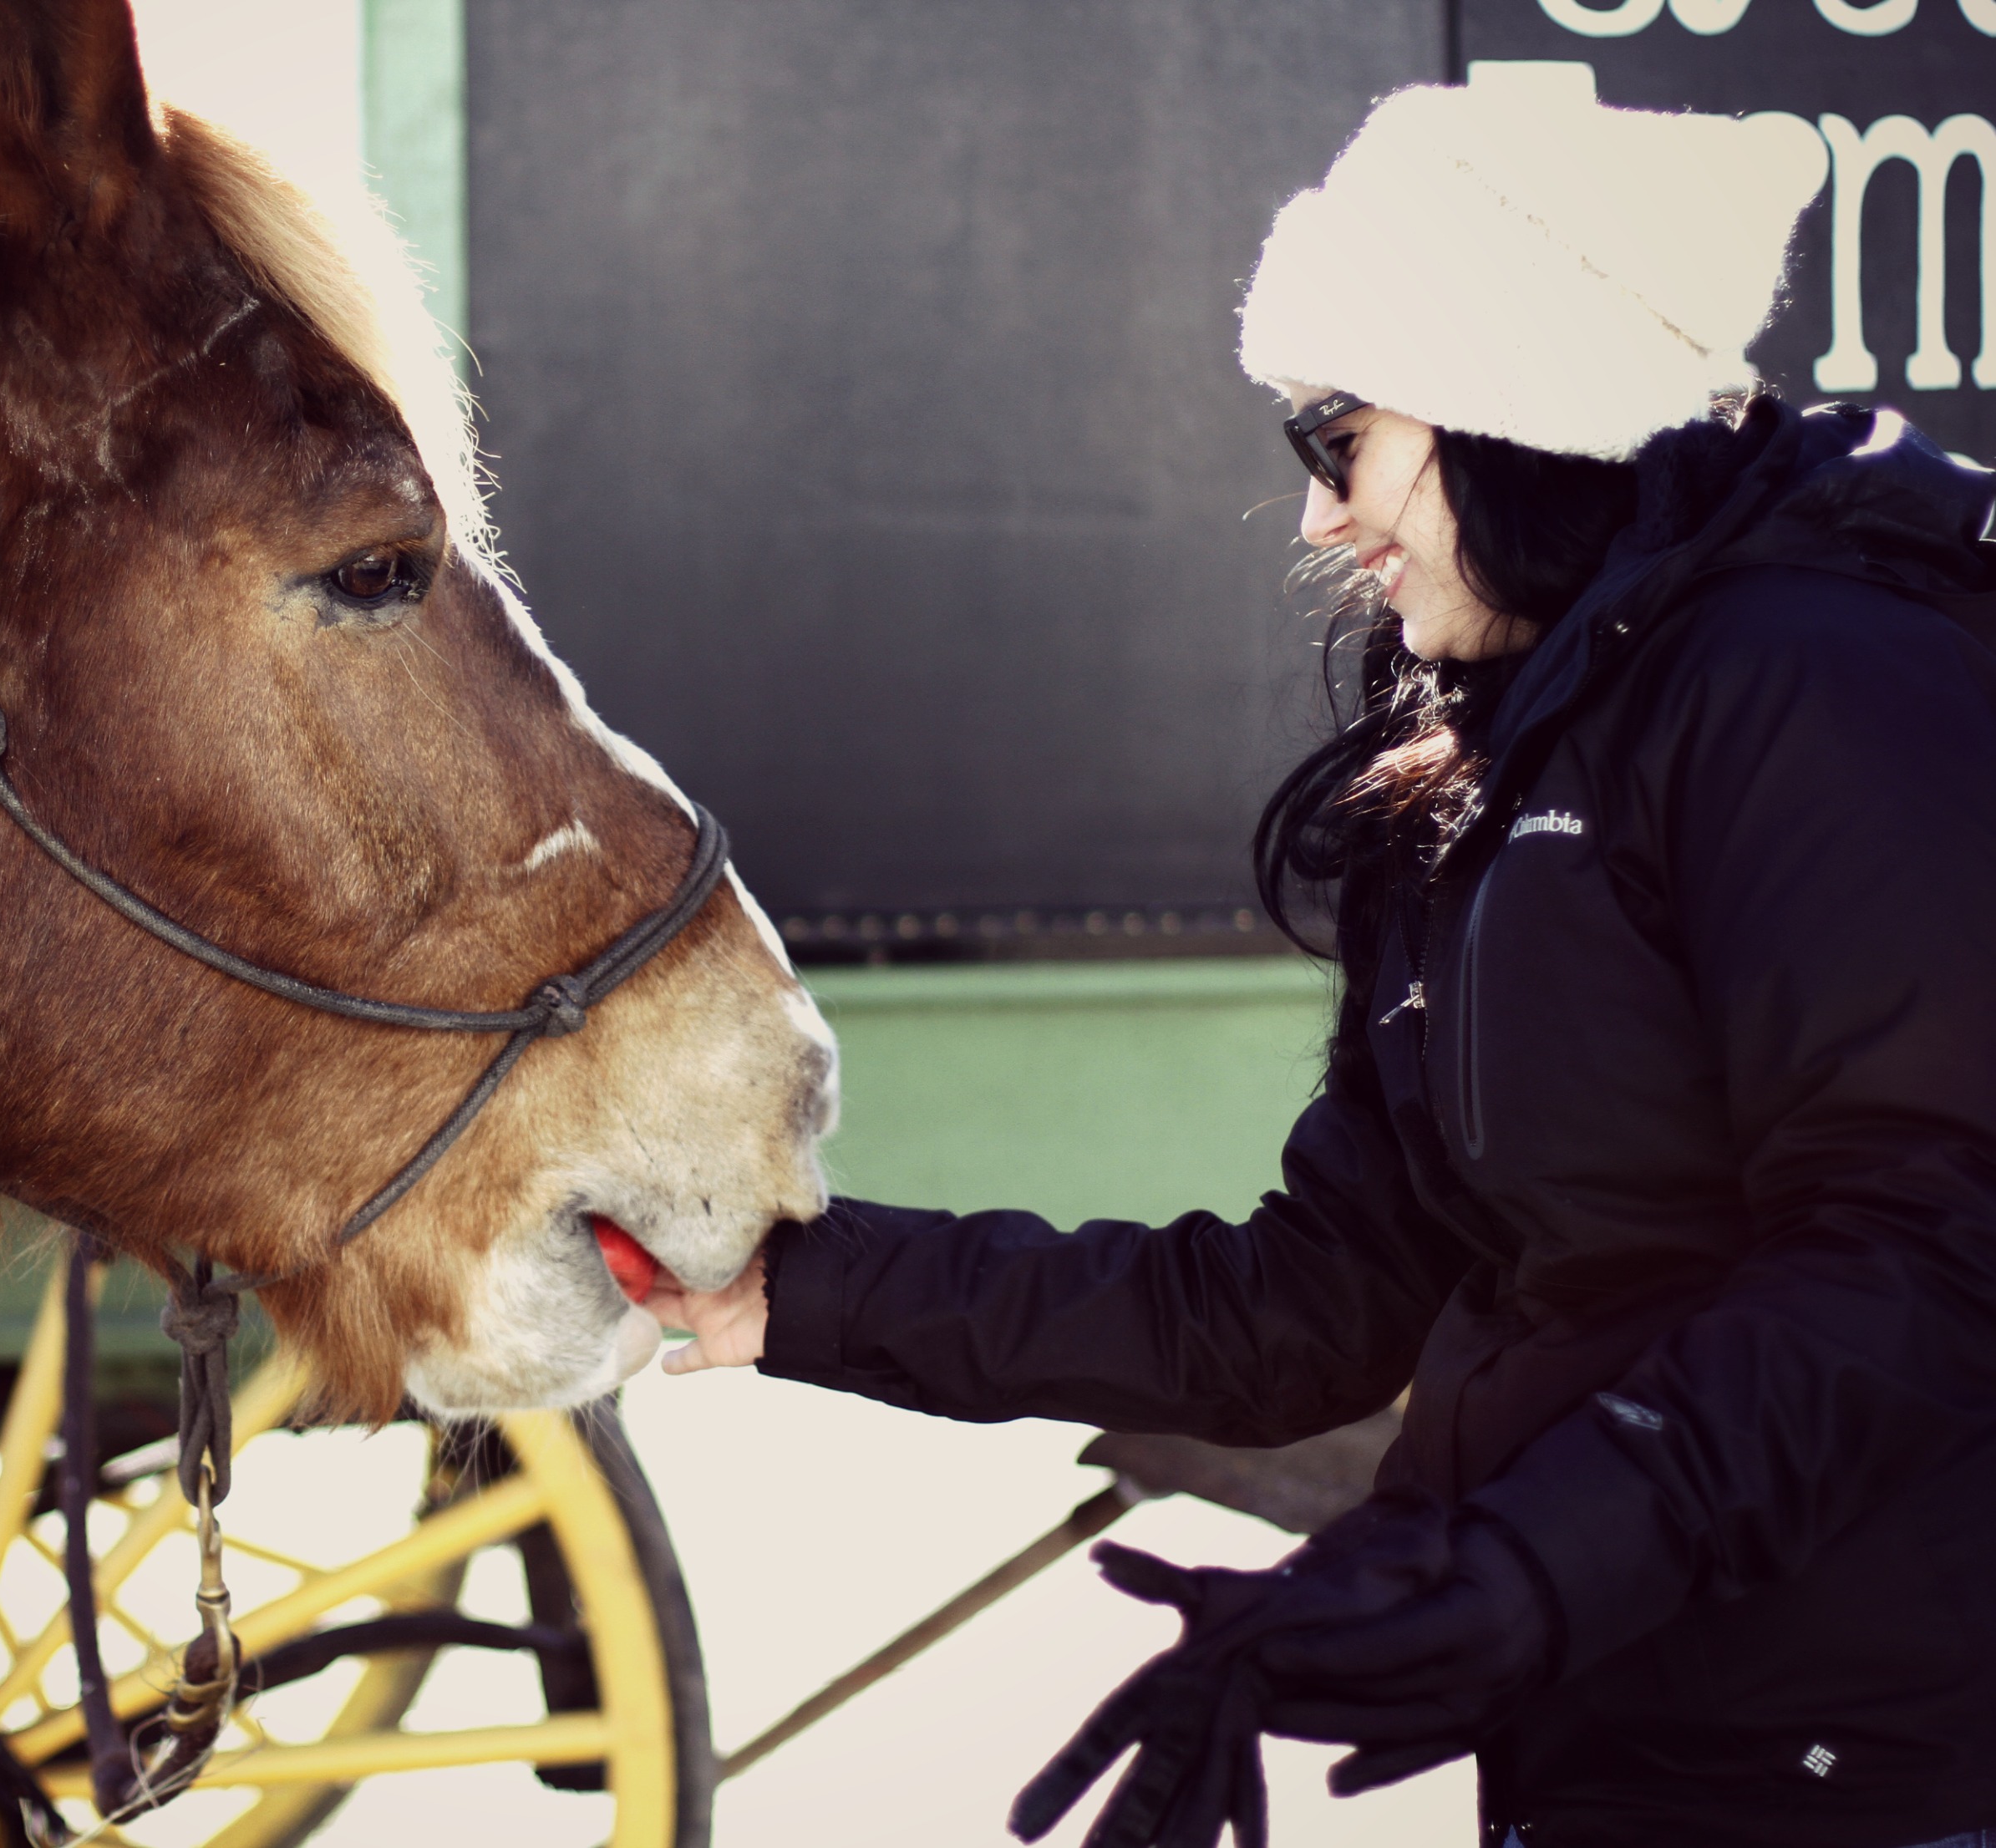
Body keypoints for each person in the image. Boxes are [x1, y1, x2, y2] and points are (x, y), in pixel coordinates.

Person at [647, 71, 1996, 1848]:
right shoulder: (1499, 750)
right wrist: (798, 1291)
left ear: (1515, 406)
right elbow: (1309, 1308)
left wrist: (1530, 1562)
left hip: (1879, 1763)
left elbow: (1927, 1249)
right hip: (1614, 1735)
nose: (1316, 520)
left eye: (1336, 438)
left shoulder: (1820, 688)